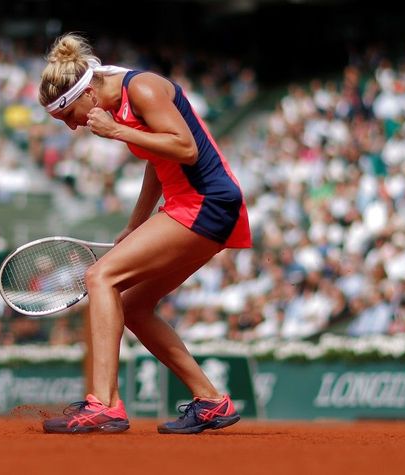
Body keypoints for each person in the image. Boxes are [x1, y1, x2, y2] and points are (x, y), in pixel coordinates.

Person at [37, 33, 251, 434]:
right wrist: (135, 224)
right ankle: (210, 401)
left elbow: (184, 149)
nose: (72, 127)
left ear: (87, 94)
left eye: (68, 115)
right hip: (193, 205)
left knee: (100, 276)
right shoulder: (119, 104)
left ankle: (104, 405)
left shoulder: (145, 88)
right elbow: (158, 160)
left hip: (207, 201)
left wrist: (117, 133)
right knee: (133, 306)